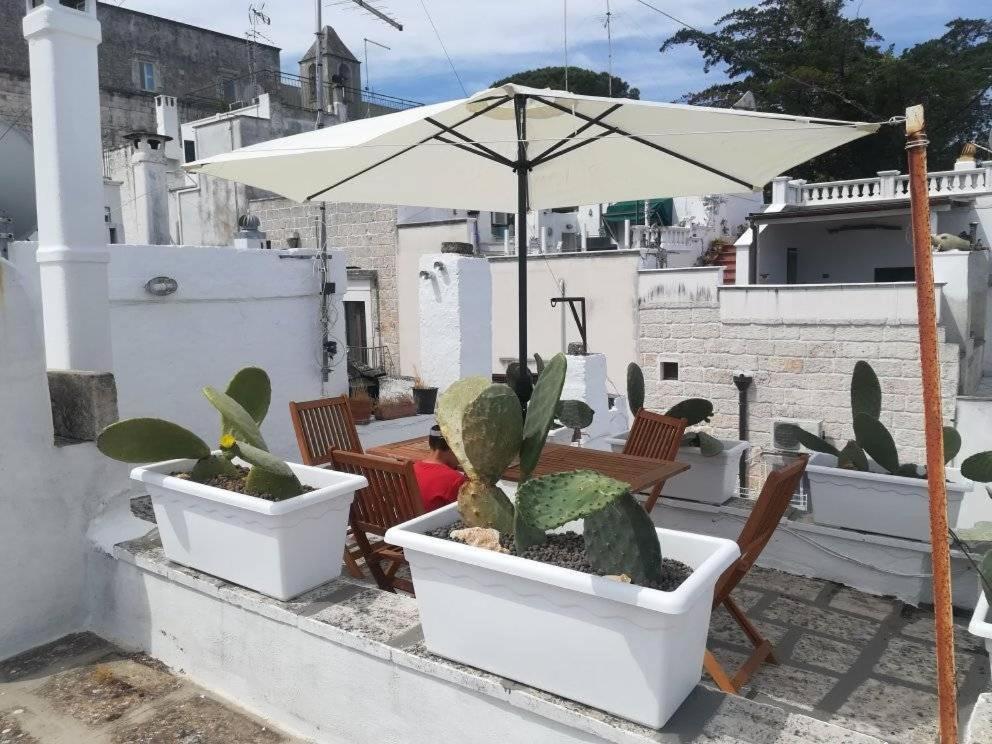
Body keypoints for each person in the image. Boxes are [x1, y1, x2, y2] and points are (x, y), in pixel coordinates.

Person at [413, 425, 467, 512]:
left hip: (406, 522)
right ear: (452, 447)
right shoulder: (455, 480)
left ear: (430, 443)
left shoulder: (413, 468)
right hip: (435, 524)